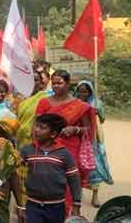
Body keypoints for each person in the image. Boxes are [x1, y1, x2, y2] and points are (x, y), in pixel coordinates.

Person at [36, 70, 95, 214]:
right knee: (49, 180)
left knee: (68, 182)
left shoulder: (79, 106)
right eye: (54, 83)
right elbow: (36, 126)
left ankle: (65, 215)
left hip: (70, 149)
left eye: (59, 83)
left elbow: (87, 127)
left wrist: (75, 129)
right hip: (48, 148)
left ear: (68, 84)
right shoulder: (44, 103)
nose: (56, 86)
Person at [75, 80, 114, 207]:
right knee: (78, 166)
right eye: (80, 91)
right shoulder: (73, 104)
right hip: (77, 138)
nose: (82, 94)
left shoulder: (97, 104)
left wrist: (97, 112)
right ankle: (77, 195)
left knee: (94, 166)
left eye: (85, 92)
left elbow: (102, 119)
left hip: (93, 140)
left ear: (90, 92)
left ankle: (95, 196)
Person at [15, 64, 50, 150]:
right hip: (21, 141)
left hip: (37, 142)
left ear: (41, 83)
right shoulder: (21, 102)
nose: (32, 82)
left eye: (36, 80)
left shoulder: (45, 99)